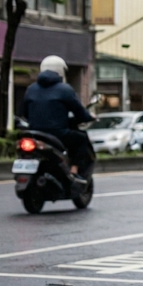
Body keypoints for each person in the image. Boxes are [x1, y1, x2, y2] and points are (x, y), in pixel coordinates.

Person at [20, 56, 95, 191]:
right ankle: (74, 170)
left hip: (35, 134)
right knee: (81, 139)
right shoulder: (65, 89)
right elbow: (80, 113)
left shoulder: (31, 89)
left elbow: (24, 113)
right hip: (57, 134)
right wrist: (89, 117)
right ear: (61, 71)